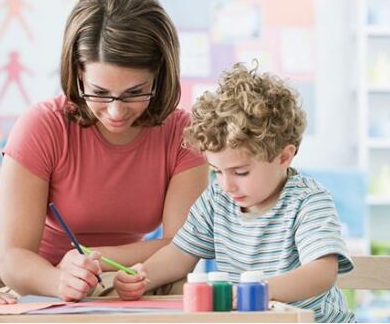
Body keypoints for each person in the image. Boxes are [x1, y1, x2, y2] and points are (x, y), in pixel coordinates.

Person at [0, 0, 208, 301]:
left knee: (188, 292)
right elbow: (13, 259)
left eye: (134, 93)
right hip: (32, 279)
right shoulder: (42, 126)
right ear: (78, 75)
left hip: (123, 275)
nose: (115, 112)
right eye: (99, 92)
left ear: (159, 77)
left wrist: (92, 255)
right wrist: (60, 279)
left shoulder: (183, 133)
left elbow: (182, 246)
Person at [113, 63, 356, 323]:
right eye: (217, 171)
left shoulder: (307, 201)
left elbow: (322, 273)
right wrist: (142, 274)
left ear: (284, 156)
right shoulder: (217, 200)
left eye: (240, 172)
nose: (226, 185)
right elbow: (178, 255)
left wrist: (255, 292)